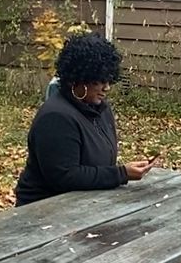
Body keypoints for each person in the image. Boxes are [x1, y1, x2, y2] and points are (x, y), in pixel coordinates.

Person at [15, 32, 154, 207]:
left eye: (109, 80)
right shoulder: (56, 117)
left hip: (85, 204)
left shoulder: (100, 109)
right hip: (43, 209)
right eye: (99, 81)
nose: (106, 87)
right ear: (78, 79)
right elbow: (65, 177)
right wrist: (121, 174)